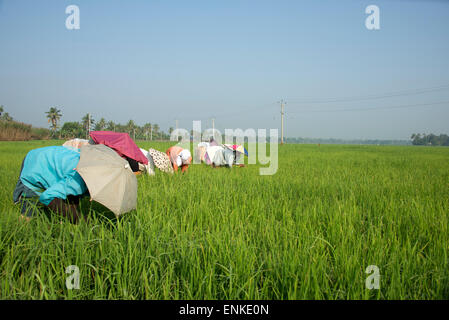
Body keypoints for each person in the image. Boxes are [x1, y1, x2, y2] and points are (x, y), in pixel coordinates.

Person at [13, 146, 89, 223]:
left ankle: (63, 221)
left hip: (52, 156)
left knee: (70, 195)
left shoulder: (92, 161)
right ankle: (21, 227)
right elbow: (46, 197)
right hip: (37, 163)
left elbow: (72, 195)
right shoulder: (77, 179)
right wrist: (78, 219)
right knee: (30, 209)